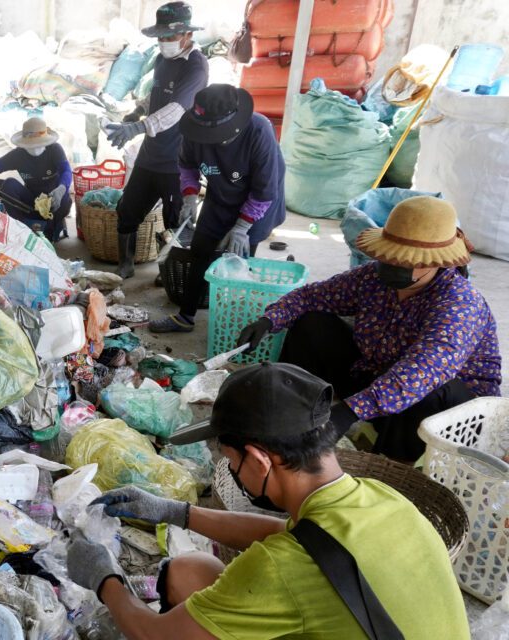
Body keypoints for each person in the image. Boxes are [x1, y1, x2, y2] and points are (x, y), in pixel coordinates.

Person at [67, 362, 470, 640]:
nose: (231, 469)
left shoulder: (281, 568)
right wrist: (174, 512)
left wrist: (106, 580)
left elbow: (154, 634)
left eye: (230, 459)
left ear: (260, 460)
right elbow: (294, 536)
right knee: (192, 571)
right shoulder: (381, 497)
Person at [237, 196, 501, 462]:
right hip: (377, 375)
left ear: (436, 262)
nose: (391, 265)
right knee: (313, 323)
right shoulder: (372, 278)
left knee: (429, 389)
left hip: (448, 414)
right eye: (390, 256)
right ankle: (293, 413)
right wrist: (269, 320)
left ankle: (392, 463)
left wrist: (348, 412)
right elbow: (311, 296)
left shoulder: (459, 303)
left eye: (405, 261)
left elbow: (421, 372)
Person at [151, 84, 286, 333]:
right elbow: (187, 166)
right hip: (220, 195)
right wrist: (190, 196)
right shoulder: (194, 129)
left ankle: (235, 328)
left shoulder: (259, 130)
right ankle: (185, 317)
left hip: (258, 202)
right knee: (200, 251)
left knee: (239, 260)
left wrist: (242, 226)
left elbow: (264, 190)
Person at [107, 2, 208, 278]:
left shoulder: (196, 66)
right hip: (150, 155)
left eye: (170, 37)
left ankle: (171, 271)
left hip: (178, 160)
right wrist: (138, 111)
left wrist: (139, 127)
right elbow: (158, 94)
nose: (164, 42)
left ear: (187, 34)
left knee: (176, 220)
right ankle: (125, 264)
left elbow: (177, 108)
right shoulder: (163, 59)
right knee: (128, 210)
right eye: (160, 37)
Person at [0, 117, 71, 242]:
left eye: (39, 144)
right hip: (31, 202)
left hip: (54, 201)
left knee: (66, 196)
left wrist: (61, 189)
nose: (35, 148)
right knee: (9, 185)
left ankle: (52, 228)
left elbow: (66, 170)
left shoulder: (55, 150)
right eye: (31, 145)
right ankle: (23, 226)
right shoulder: (18, 155)